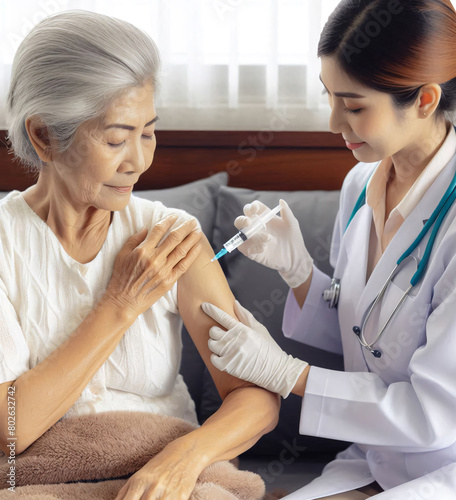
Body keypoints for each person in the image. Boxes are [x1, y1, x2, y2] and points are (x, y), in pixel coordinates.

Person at [202, 1, 456, 498]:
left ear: (425, 100)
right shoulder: (361, 184)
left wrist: (287, 373)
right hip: (371, 453)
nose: (332, 121)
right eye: (330, 96)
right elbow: (368, 340)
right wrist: (300, 275)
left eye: (354, 105)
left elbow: (433, 414)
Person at [0, 10, 280, 500]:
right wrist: (120, 304)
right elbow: (10, 429)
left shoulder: (169, 237)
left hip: (163, 474)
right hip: (40, 481)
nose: (138, 161)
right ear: (44, 136)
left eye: (147, 132)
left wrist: (181, 460)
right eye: (115, 139)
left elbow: (256, 396)